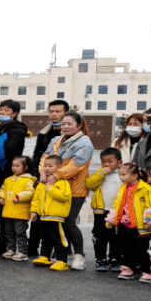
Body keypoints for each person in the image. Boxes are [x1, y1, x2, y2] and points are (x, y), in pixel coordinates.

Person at [39, 112, 94, 270]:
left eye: (70, 124)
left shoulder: (85, 142)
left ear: (79, 125)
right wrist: (43, 172)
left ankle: (79, 256)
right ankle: (65, 253)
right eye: (63, 124)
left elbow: (77, 165)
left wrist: (55, 175)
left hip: (74, 189)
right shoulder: (56, 140)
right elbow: (45, 157)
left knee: (69, 222)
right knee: (56, 222)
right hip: (54, 186)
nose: (66, 127)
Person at [27, 99, 70, 259]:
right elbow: (38, 155)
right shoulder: (45, 132)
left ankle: (61, 252)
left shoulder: (70, 134)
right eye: (51, 111)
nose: (53, 114)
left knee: (56, 219)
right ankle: (32, 248)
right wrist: (38, 176)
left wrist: (56, 175)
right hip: (42, 178)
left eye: (58, 111)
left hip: (61, 180)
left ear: (66, 112)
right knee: (37, 213)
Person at [0, 99, 28, 254]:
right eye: (1, 109)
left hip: (7, 175)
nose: (2, 112)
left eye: (6, 110)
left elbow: (9, 151)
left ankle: (4, 243)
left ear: (15, 113)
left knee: (4, 211)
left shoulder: (18, 130)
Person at [30, 155, 73, 271]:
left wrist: (50, 189)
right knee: (45, 238)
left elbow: (65, 196)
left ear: (59, 167)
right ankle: (44, 257)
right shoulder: (42, 183)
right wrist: (34, 212)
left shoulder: (63, 182)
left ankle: (62, 261)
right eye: (45, 166)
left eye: (50, 166)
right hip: (44, 217)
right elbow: (36, 199)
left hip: (57, 218)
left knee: (58, 239)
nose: (47, 168)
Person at [85, 148, 122, 271]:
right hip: (101, 211)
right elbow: (90, 185)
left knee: (116, 237)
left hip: (118, 212)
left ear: (119, 162)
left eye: (110, 161)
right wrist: (101, 173)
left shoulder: (122, 175)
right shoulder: (99, 174)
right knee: (100, 236)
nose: (106, 164)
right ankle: (100, 259)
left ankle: (115, 259)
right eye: (104, 162)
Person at [0, 155, 35, 261]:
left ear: (25, 167)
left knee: (20, 232)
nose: (14, 168)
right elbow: (2, 190)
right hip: (8, 211)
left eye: (18, 166)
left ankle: (22, 252)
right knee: (9, 232)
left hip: (20, 212)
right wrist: (0, 197)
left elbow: (31, 192)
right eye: (13, 165)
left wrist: (19, 197)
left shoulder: (28, 180)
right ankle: (11, 249)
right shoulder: (8, 180)